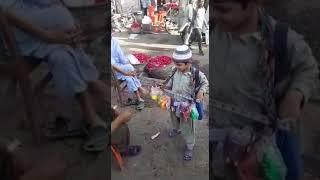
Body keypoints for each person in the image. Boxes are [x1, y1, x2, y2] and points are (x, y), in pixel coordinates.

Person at [211, 0, 319, 179]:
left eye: (223, 10)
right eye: (213, 8)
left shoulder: (281, 39)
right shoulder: (214, 30)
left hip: (256, 154)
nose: (214, 15)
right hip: (214, 148)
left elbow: (308, 68)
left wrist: (297, 93)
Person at [0, 0, 109, 152]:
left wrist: (67, 18)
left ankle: (90, 117)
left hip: (34, 28)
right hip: (13, 37)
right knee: (63, 31)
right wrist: (48, 35)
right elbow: (5, 14)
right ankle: (93, 85)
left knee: (61, 53)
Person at [162, 45, 208, 161]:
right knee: (174, 118)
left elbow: (205, 83)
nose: (176, 67)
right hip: (174, 102)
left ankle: (189, 146)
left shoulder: (196, 74)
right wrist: (164, 86)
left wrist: (201, 91)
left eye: (179, 64)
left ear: (189, 62)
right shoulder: (174, 71)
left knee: (187, 127)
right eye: (175, 64)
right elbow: (170, 81)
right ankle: (176, 129)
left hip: (187, 107)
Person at [111, 37, 148, 110]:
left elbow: (120, 55)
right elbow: (112, 65)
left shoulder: (114, 41)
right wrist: (125, 73)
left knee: (129, 76)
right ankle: (139, 88)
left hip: (119, 65)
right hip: (112, 71)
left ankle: (139, 98)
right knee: (130, 70)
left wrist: (127, 62)